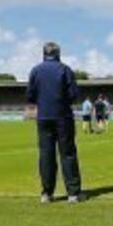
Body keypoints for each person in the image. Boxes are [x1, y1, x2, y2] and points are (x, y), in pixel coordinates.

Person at [26, 42, 83, 203]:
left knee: (46, 154)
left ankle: (47, 193)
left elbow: (30, 95)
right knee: (68, 153)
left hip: (44, 116)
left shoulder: (36, 70)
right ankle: (73, 193)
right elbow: (73, 95)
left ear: (44, 54)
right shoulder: (65, 70)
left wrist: (42, 101)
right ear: (58, 54)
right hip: (62, 116)